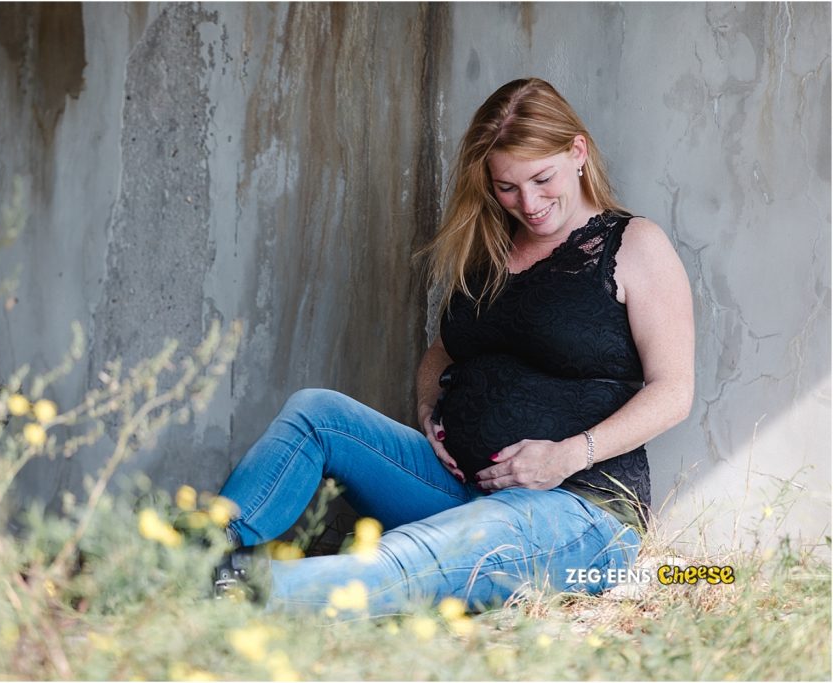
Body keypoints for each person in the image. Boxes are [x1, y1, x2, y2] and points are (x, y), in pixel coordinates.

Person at [212, 77, 694, 615]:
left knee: (407, 557)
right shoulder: (489, 251)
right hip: (456, 490)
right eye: (507, 187)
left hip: (576, 511)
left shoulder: (634, 245)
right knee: (316, 414)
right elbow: (443, 353)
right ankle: (193, 551)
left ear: (577, 152)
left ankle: (226, 592)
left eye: (541, 178)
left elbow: (673, 391)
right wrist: (427, 408)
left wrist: (566, 455)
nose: (527, 203)